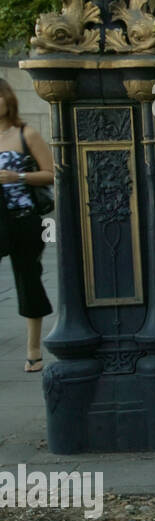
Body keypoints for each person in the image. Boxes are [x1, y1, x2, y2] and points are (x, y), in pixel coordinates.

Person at [0, 79, 54, 372]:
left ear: (9, 99)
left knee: (28, 280)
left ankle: (34, 350)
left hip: (23, 219)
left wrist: (17, 177)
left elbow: (50, 174)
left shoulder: (26, 134)